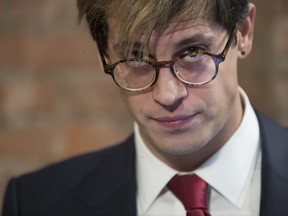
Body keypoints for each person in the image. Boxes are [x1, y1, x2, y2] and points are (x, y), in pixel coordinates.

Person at [2, 0, 288, 215]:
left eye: (193, 52)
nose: (166, 94)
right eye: (136, 57)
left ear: (244, 32)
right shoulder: (35, 203)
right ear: (104, 56)